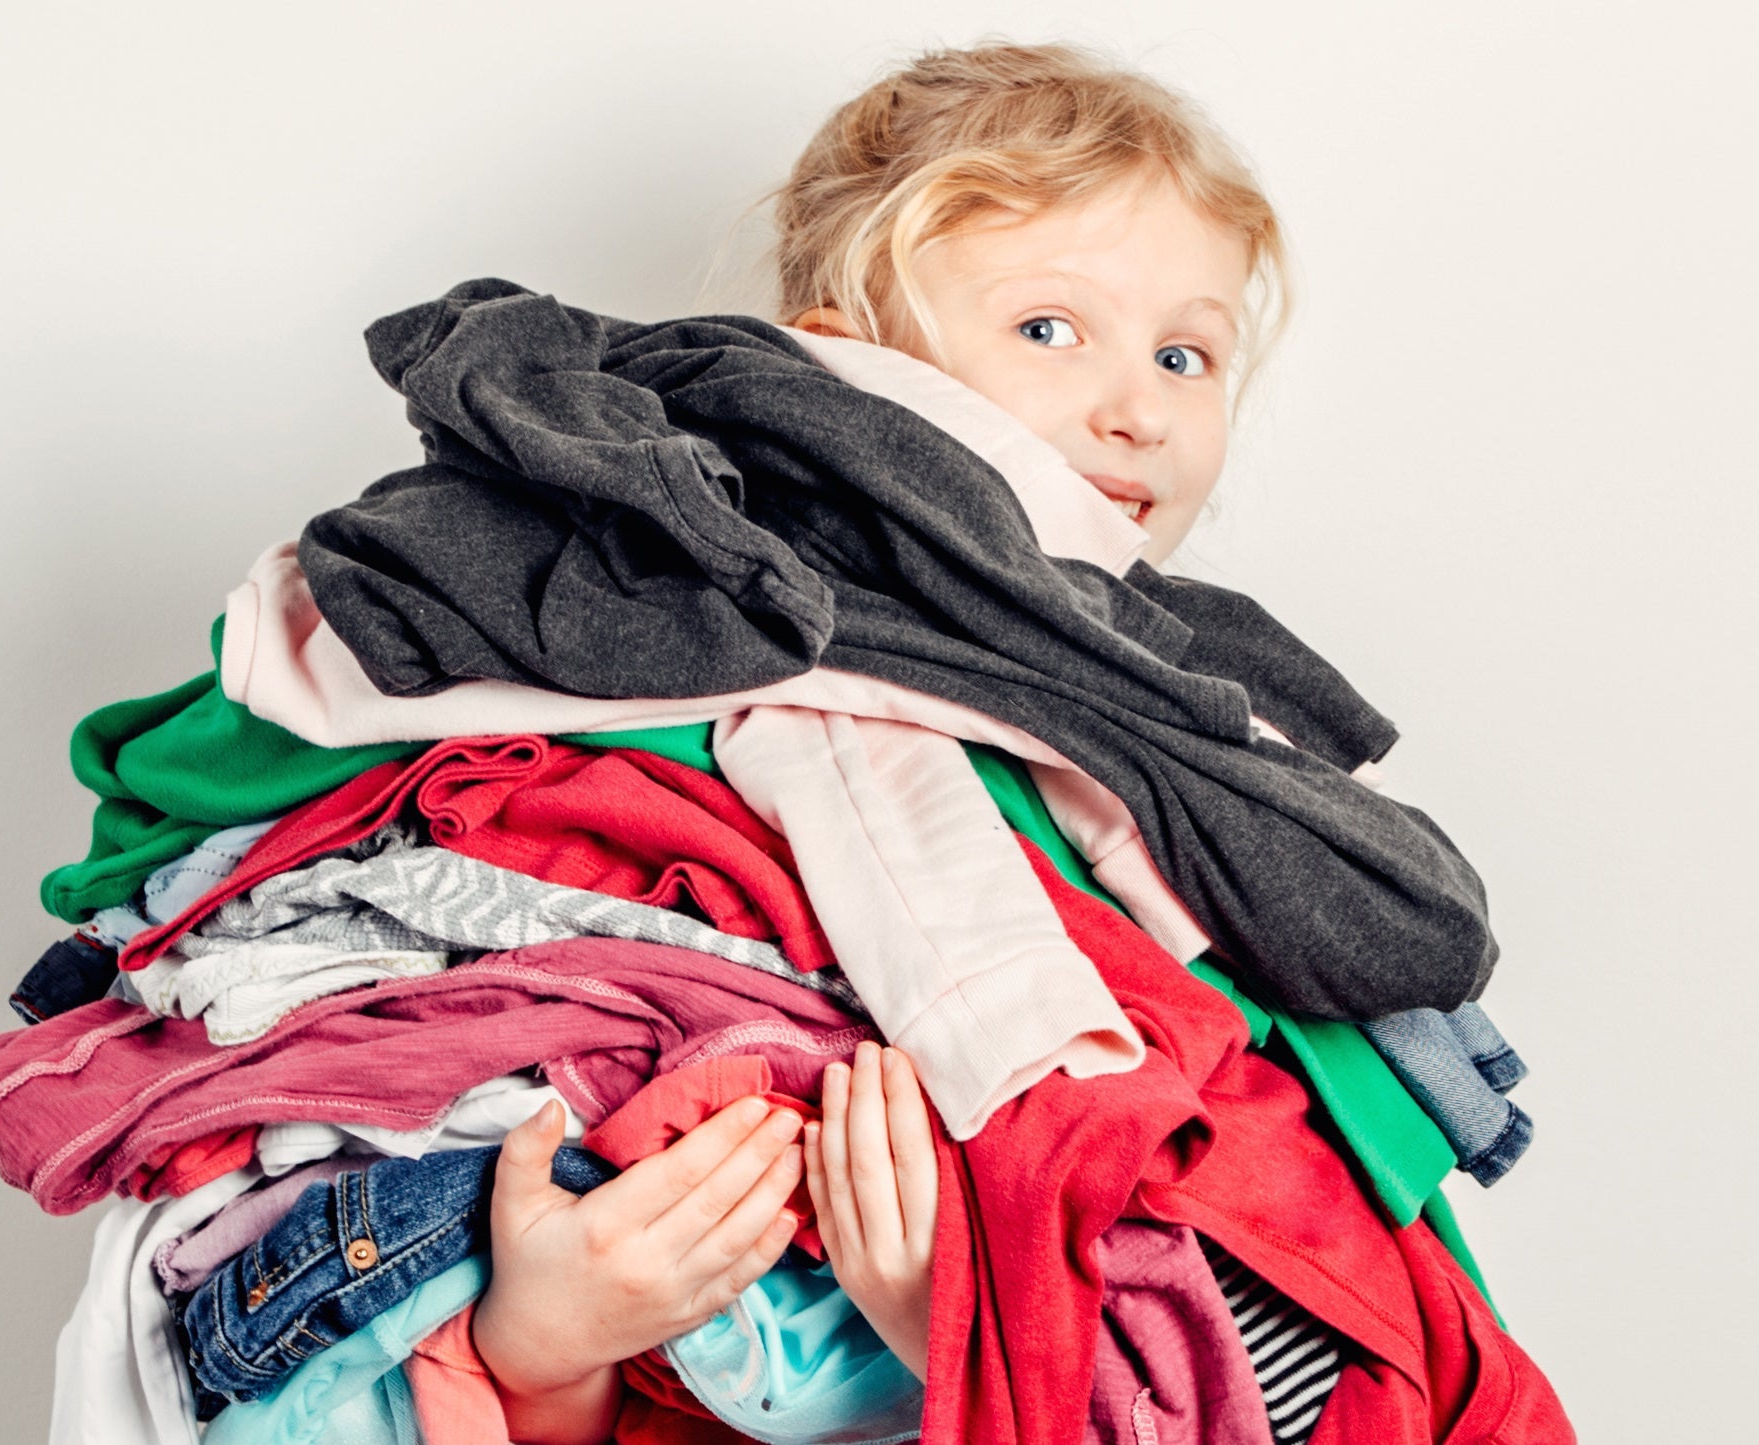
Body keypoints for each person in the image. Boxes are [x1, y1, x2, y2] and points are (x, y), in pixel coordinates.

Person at [464, 41, 1288, 1445]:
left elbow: (1274, 1320)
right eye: (1049, 328)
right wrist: (542, 1344)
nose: (1136, 404)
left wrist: (959, 1326)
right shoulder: (645, 717)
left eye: (1183, 352)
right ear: (844, 363)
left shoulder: (1223, 773)